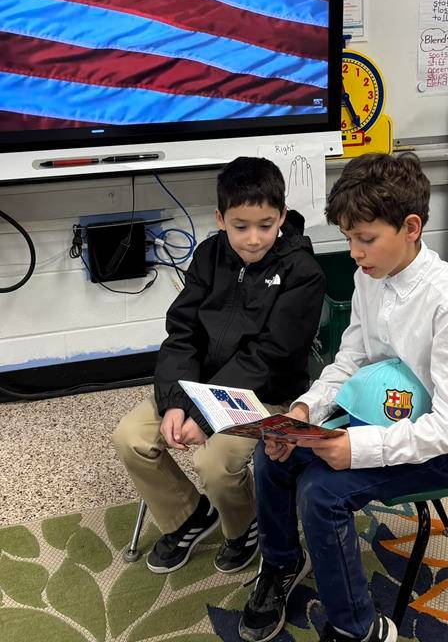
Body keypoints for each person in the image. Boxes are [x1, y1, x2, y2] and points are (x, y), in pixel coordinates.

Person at [239, 153, 448, 642]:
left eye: (365, 239)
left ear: (411, 227)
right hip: (393, 408)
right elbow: (350, 361)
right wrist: (305, 411)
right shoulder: (372, 277)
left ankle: (358, 629)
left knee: (320, 493)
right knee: (275, 450)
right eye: (348, 239)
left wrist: (355, 449)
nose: (355, 254)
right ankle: (281, 565)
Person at [112, 156, 325, 575]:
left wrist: (205, 413)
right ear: (220, 219)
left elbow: (268, 357)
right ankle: (189, 515)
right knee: (130, 438)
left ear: (282, 216)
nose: (252, 239)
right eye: (239, 226)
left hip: (265, 396)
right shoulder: (210, 254)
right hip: (197, 387)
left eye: (265, 225)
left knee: (215, 463)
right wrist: (177, 402)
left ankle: (244, 527)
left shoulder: (303, 273)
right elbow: (183, 333)